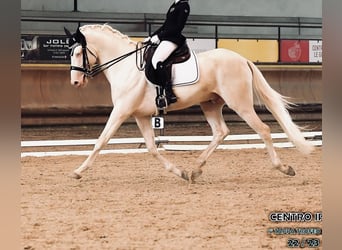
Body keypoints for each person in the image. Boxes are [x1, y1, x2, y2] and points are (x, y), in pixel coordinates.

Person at [145, 0, 190, 106]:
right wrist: (152, 36)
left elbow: (178, 27)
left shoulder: (184, 6)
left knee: (156, 60)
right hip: (166, 37)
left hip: (174, 39)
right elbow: (166, 25)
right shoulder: (175, 5)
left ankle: (169, 93)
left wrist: (159, 36)